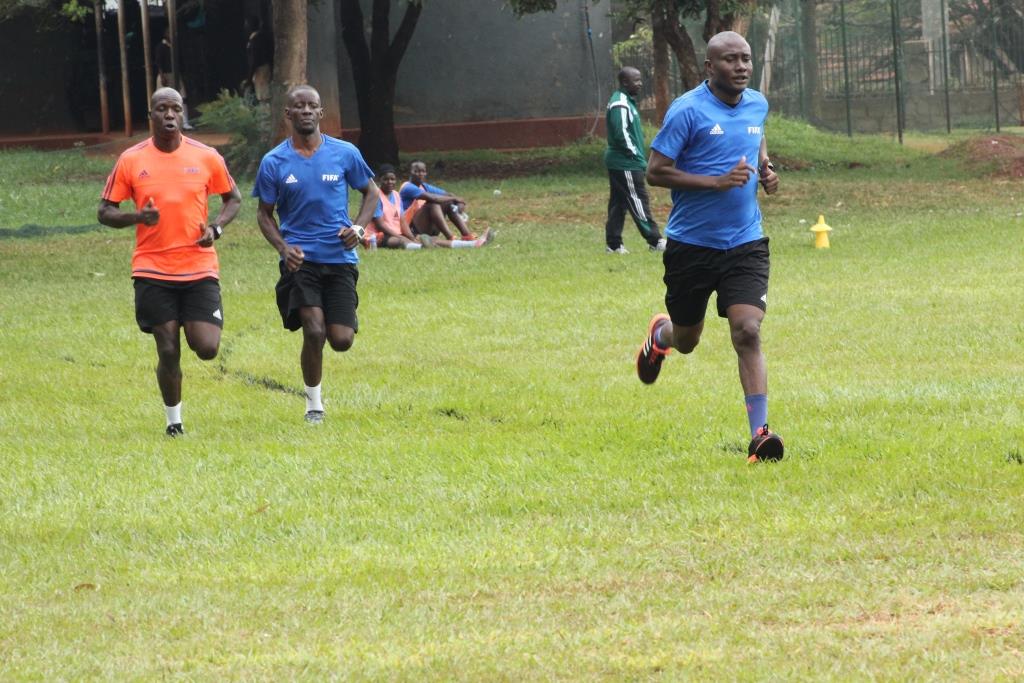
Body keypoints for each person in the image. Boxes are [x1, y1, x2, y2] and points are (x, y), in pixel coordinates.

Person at [634, 31, 784, 463]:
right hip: (691, 247)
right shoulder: (688, 111)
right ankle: (659, 335)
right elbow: (655, 172)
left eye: (746, 59)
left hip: (745, 242)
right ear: (708, 67)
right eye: (730, 60)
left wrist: (766, 170)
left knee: (748, 331)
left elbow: (755, 141)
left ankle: (760, 435)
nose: (740, 66)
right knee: (687, 340)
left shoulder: (757, 103)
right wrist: (715, 183)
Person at [98, 87, 241, 437]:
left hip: (199, 266)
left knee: (207, 348)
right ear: (151, 116)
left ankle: (195, 343)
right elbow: (105, 211)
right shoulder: (132, 159)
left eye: (175, 109)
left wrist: (216, 228)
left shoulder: (206, 157)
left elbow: (233, 198)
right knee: (167, 347)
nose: (169, 116)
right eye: (161, 109)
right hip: (152, 268)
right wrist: (137, 219)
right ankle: (174, 422)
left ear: (183, 114)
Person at [253, 85, 380, 424]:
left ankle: (343, 317)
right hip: (301, 262)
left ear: (321, 113)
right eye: (299, 106)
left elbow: (371, 193)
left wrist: (358, 229)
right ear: (288, 114)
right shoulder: (274, 161)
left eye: (312, 106)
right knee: (314, 330)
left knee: (341, 340)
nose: (306, 111)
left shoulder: (344, 153)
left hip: (339, 259)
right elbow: (264, 213)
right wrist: (283, 247)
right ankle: (314, 405)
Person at [604, 66, 665, 254]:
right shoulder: (620, 104)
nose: (640, 84)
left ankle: (613, 245)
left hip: (622, 162)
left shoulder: (626, 101)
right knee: (638, 199)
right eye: (636, 80)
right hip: (626, 163)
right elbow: (621, 134)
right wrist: (635, 156)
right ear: (624, 82)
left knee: (619, 203)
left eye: (640, 80)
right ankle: (655, 240)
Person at [370, 164, 492, 250]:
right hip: (386, 235)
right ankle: (424, 246)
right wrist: (403, 236)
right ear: (379, 180)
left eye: (392, 179)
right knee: (402, 241)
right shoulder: (384, 194)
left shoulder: (396, 195)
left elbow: (402, 221)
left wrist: (411, 237)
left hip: (404, 231)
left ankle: (472, 242)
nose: (390, 182)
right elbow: (381, 225)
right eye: (386, 179)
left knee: (430, 239)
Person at [399, 161, 478, 241]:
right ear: (411, 172)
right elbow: (434, 198)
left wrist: (460, 203)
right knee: (433, 204)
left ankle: (467, 235)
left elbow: (448, 194)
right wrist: (454, 199)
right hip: (412, 229)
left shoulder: (424, 186)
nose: (420, 174)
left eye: (423, 171)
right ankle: (450, 237)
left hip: (426, 226)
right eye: (417, 171)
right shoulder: (408, 187)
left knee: (447, 202)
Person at [156, 28, 193, 130]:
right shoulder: (161, 46)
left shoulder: (175, 47)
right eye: (169, 33)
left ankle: (184, 122)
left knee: (182, 98)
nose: (172, 35)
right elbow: (158, 63)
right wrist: (162, 76)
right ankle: (165, 123)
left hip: (176, 74)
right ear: (165, 34)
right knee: (164, 101)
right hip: (166, 75)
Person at [244, 15, 273, 104]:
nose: (245, 27)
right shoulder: (261, 37)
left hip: (260, 70)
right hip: (264, 68)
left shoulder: (255, 40)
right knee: (263, 96)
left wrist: (249, 78)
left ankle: (266, 115)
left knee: (263, 97)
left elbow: (254, 61)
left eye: (246, 24)